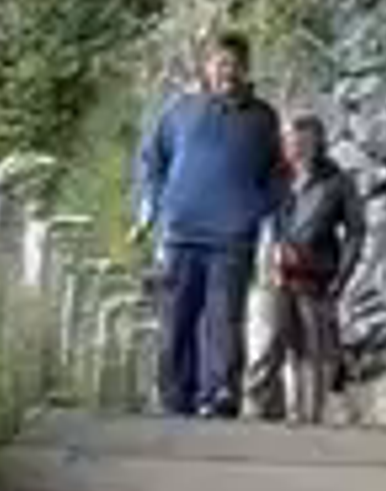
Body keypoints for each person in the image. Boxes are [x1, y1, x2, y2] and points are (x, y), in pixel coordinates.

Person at [131, 28, 286, 421]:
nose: (227, 72)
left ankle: (220, 396)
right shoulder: (180, 110)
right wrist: (151, 207)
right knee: (177, 320)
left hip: (233, 238)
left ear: (247, 69)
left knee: (224, 321)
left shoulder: (263, 118)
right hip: (181, 233)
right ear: (207, 67)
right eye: (220, 63)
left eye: (235, 65)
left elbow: (276, 176)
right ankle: (175, 399)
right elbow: (152, 161)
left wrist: (263, 215)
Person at [268, 112, 367, 424]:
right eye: (289, 140)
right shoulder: (276, 179)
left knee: (318, 347)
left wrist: (342, 275)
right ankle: (296, 412)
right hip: (277, 274)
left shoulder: (337, 181)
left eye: (302, 140)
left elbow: (356, 231)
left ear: (317, 142)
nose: (294, 146)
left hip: (318, 275)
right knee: (285, 345)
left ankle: (315, 416)